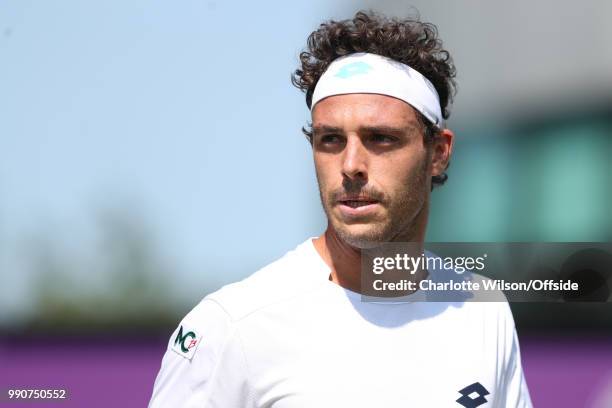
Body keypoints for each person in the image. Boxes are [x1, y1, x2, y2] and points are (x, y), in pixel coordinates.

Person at [149, 10, 533, 407]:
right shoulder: (231, 326)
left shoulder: (483, 311)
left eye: (381, 138)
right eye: (330, 139)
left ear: (438, 153)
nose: (350, 166)